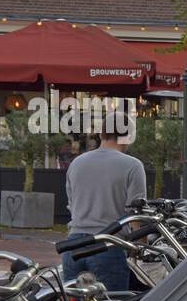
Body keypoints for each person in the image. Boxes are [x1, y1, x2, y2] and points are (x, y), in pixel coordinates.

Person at [60, 104, 146, 290]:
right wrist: (141, 248)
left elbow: (72, 204)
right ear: (128, 137)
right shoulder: (132, 166)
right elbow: (136, 213)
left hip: (72, 245)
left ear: (101, 134)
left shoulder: (77, 163)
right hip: (108, 245)